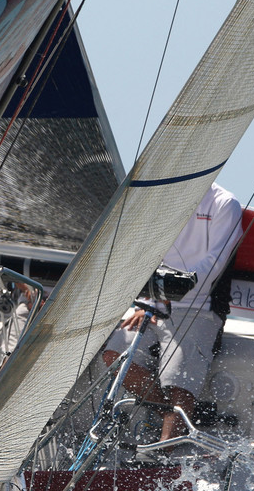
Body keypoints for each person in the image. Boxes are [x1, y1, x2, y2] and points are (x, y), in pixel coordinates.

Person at [101, 182, 243, 444]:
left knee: (178, 380)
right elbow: (145, 255)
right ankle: (186, 414)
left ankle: (163, 453)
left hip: (199, 307)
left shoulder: (225, 204)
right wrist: (146, 302)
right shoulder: (161, 199)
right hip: (155, 303)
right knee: (114, 355)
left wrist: (165, 294)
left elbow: (214, 264)